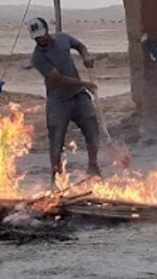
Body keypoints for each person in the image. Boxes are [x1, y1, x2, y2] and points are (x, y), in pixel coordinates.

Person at [27, 16, 102, 180]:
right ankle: (56, 175)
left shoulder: (62, 38)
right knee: (56, 138)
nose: (40, 40)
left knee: (92, 130)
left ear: (47, 30)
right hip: (58, 100)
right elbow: (57, 79)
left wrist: (86, 56)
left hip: (79, 96)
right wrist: (84, 83)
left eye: (42, 35)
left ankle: (93, 167)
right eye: (36, 38)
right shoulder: (38, 58)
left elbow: (79, 46)